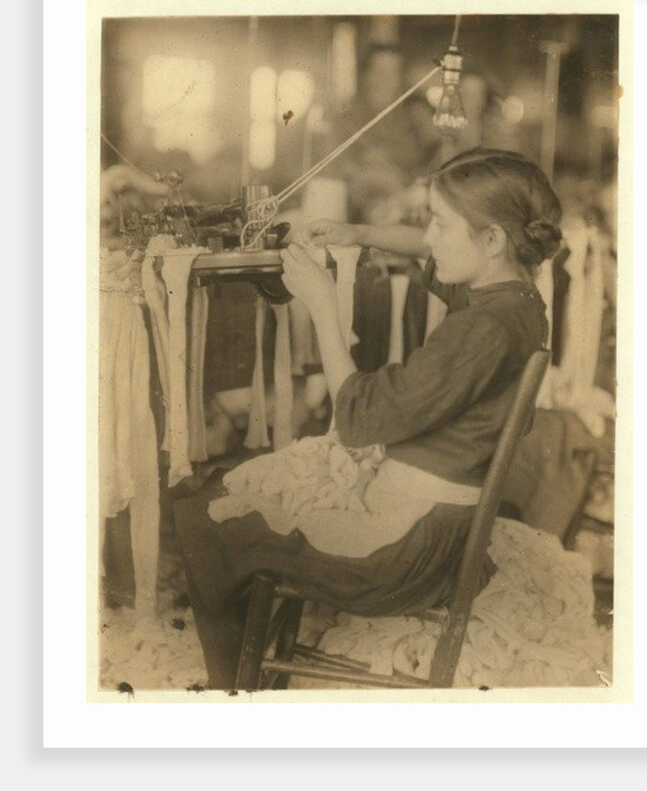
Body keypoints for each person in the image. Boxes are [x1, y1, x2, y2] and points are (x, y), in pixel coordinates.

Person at [173, 147, 563, 690]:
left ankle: (231, 691)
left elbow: (357, 417)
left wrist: (322, 304)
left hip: (400, 554)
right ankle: (251, 644)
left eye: (440, 224)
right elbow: (428, 256)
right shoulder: (515, 300)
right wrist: (357, 232)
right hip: (439, 527)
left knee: (201, 516)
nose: (427, 238)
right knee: (233, 491)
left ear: (493, 239)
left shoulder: (479, 332)